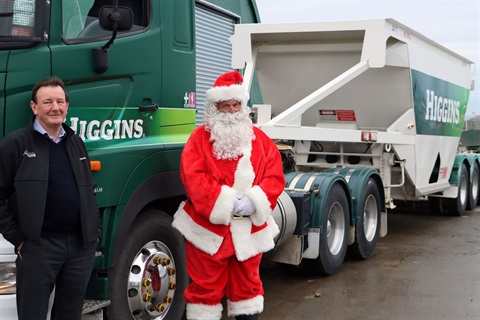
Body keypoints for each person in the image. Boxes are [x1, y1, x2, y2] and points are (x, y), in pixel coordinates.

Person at [172, 71, 285, 320]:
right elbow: (193, 177)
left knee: (248, 290)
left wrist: (254, 200)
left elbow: (275, 177)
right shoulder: (198, 140)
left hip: (248, 232)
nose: (232, 112)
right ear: (215, 108)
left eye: (236, 105)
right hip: (208, 232)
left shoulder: (262, 141)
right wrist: (224, 201)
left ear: (243, 106)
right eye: (226, 106)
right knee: (204, 292)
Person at [0, 76, 100, 320]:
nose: (55, 107)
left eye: (60, 101)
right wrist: (19, 239)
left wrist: (93, 231)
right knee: (32, 314)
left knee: (69, 314)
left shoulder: (76, 143)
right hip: (38, 247)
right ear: (34, 107)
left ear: (67, 106)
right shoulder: (15, 144)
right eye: (47, 102)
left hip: (79, 248)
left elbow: (88, 190)